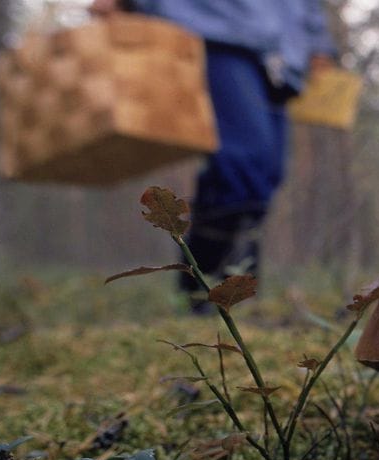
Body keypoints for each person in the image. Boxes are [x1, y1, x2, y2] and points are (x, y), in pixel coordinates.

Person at [90, 0, 336, 312]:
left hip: (281, 51)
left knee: (267, 172)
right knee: (242, 164)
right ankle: (200, 293)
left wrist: (316, 42)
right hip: (213, 25)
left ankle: (233, 297)